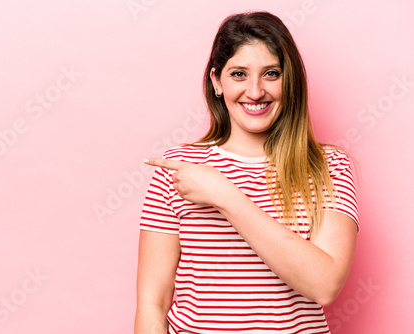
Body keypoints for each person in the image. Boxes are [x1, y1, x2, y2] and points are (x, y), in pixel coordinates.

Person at [134, 11, 359, 334]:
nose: (255, 92)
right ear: (216, 81)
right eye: (239, 74)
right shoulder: (180, 169)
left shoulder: (328, 166)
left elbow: (324, 285)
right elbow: (152, 304)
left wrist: (226, 197)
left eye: (271, 74)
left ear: (290, 80)